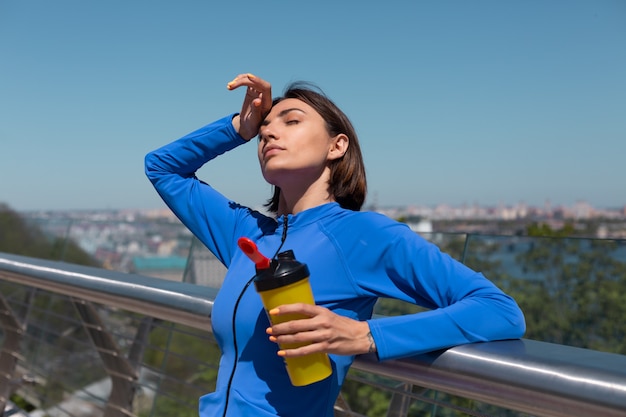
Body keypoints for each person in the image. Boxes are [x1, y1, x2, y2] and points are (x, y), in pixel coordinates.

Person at [145, 73, 526, 417]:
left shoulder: (364, 236)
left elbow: (499, 311)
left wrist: (366, 336)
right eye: (263, 133)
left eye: (291, 121)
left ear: (336, 146)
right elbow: (161, 167)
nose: (269, 135)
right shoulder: (246, 235)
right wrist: (237, 128)